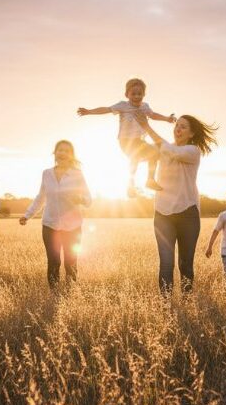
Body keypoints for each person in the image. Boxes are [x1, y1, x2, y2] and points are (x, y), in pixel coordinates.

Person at [134, 112, 217, 296]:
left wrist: (147, 127)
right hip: (163, 214)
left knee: (185, 264)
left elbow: (169, 150)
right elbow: (148, 152)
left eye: (183, 126)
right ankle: (166, 305)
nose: (177, 129)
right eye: (176, 125)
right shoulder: (164, 148)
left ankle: (187, 299)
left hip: (188, 213)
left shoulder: (192, 151)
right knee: (166, 262)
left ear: (192, 133)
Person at [77, 78, 176, 197]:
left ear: (144, 94)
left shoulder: (145, 107)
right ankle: (130, 185)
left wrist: (167, 119)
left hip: (139, 140)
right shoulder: (122, 105)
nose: (137, 96)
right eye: (133, 94)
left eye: (139, 94)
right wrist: (89, 111)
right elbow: (106, 109)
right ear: (127, 94)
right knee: (135, 156)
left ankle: (149, 180)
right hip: (125, 141)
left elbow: (153, 115)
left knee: (155, 153)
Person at [20, 140, 92, 290]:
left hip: (72, 226)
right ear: (55, 153)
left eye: (67, 151)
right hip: (50, 224)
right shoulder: (46, 173)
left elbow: (88, 200)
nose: (63, 153)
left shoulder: (77, 174)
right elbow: (41, 197)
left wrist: (80, 199)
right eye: (60, 150)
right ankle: (54, 293)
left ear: (71, 155)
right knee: (53, 261)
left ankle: (70, 292)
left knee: (71, 261)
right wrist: (27, 215)